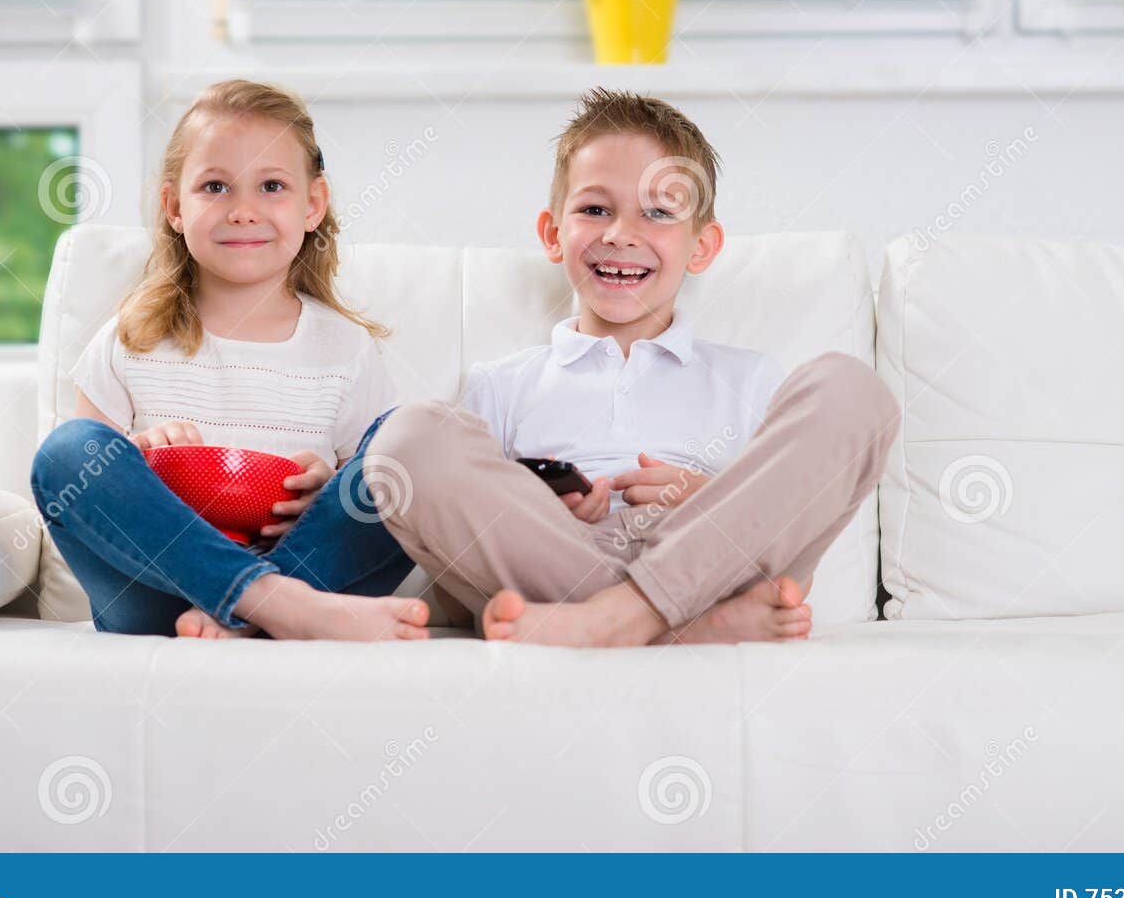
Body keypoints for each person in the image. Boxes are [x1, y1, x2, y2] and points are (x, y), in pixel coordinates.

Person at [364, 88, 899, 647]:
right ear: (552, 234)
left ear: (702, 246)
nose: (620, 234)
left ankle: (622, 620)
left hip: (708, 564)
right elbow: (456, 583)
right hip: (555, 568)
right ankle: (681, 630)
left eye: (659, 213)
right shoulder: (501, 384)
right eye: (595, 209)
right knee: (408, 436)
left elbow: (784, 516)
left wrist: (707, 499)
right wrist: (533, 507)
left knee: (852, 390)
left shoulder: (750, 378)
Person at [30, 79, 427, 641]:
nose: (243, 211)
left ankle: (247, 615)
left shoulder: (344, 350)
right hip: (156, 598)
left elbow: (368, 490)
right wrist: (137, 456)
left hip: (309, 566)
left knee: (403, 449)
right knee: (67, 453)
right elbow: (92, 497)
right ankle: (267, 603)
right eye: (215, 186)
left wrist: (326, 487)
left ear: (312, 205)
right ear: (174, 206)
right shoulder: (127, 340)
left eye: (271, 186)